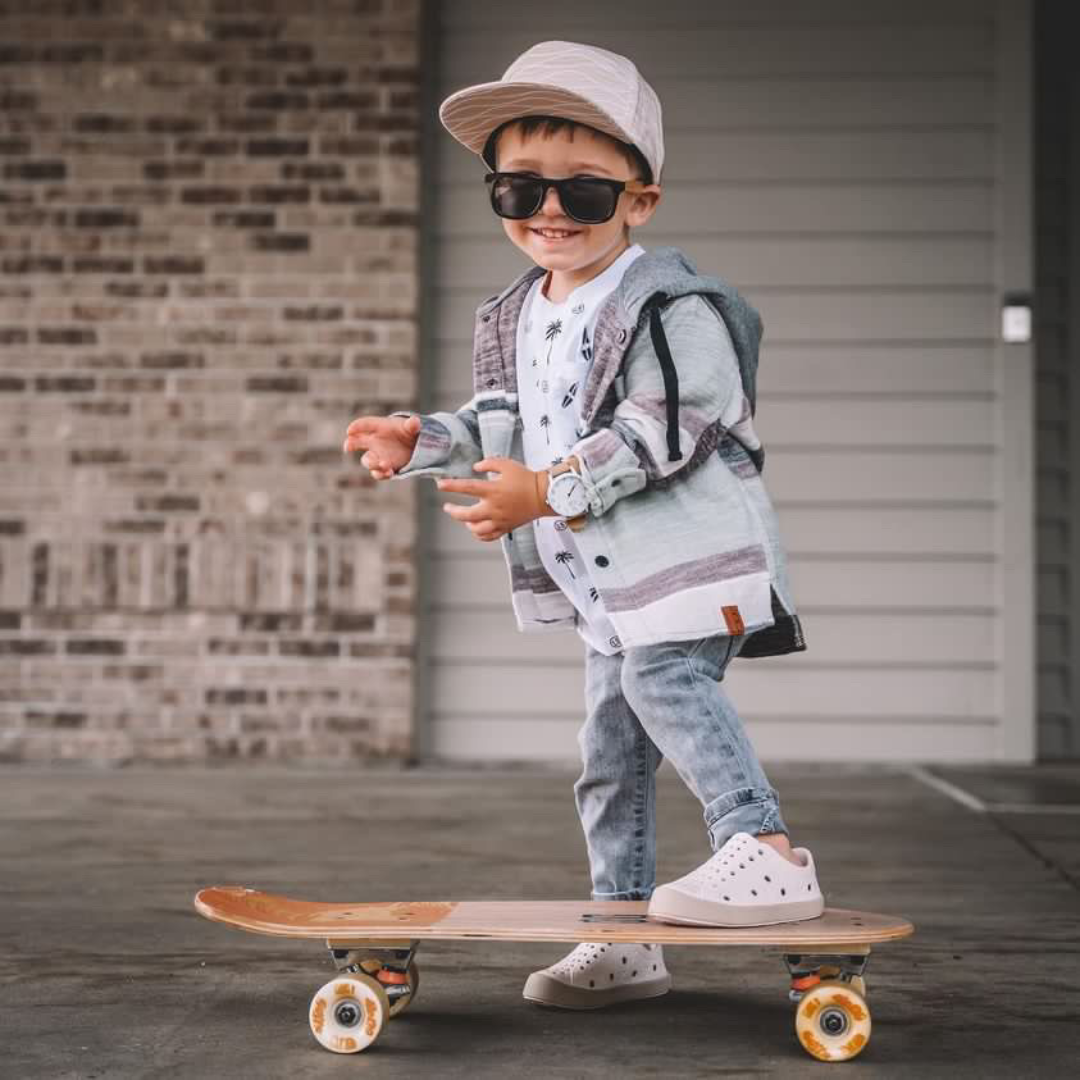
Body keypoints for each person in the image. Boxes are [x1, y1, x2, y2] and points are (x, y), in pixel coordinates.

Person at [342, 40, 822, 1011]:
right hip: (606, 585)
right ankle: (624, 935)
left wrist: (547, 491)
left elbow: (663, 431)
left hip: (687, 565)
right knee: (607, 758)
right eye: (521, 191)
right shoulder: (519, 314)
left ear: (639, 202)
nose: (550, 211)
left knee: (664, 682)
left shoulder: (677, 307)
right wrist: (421, 437)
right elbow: (496, 423)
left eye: (586, 194)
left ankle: (764, 847)